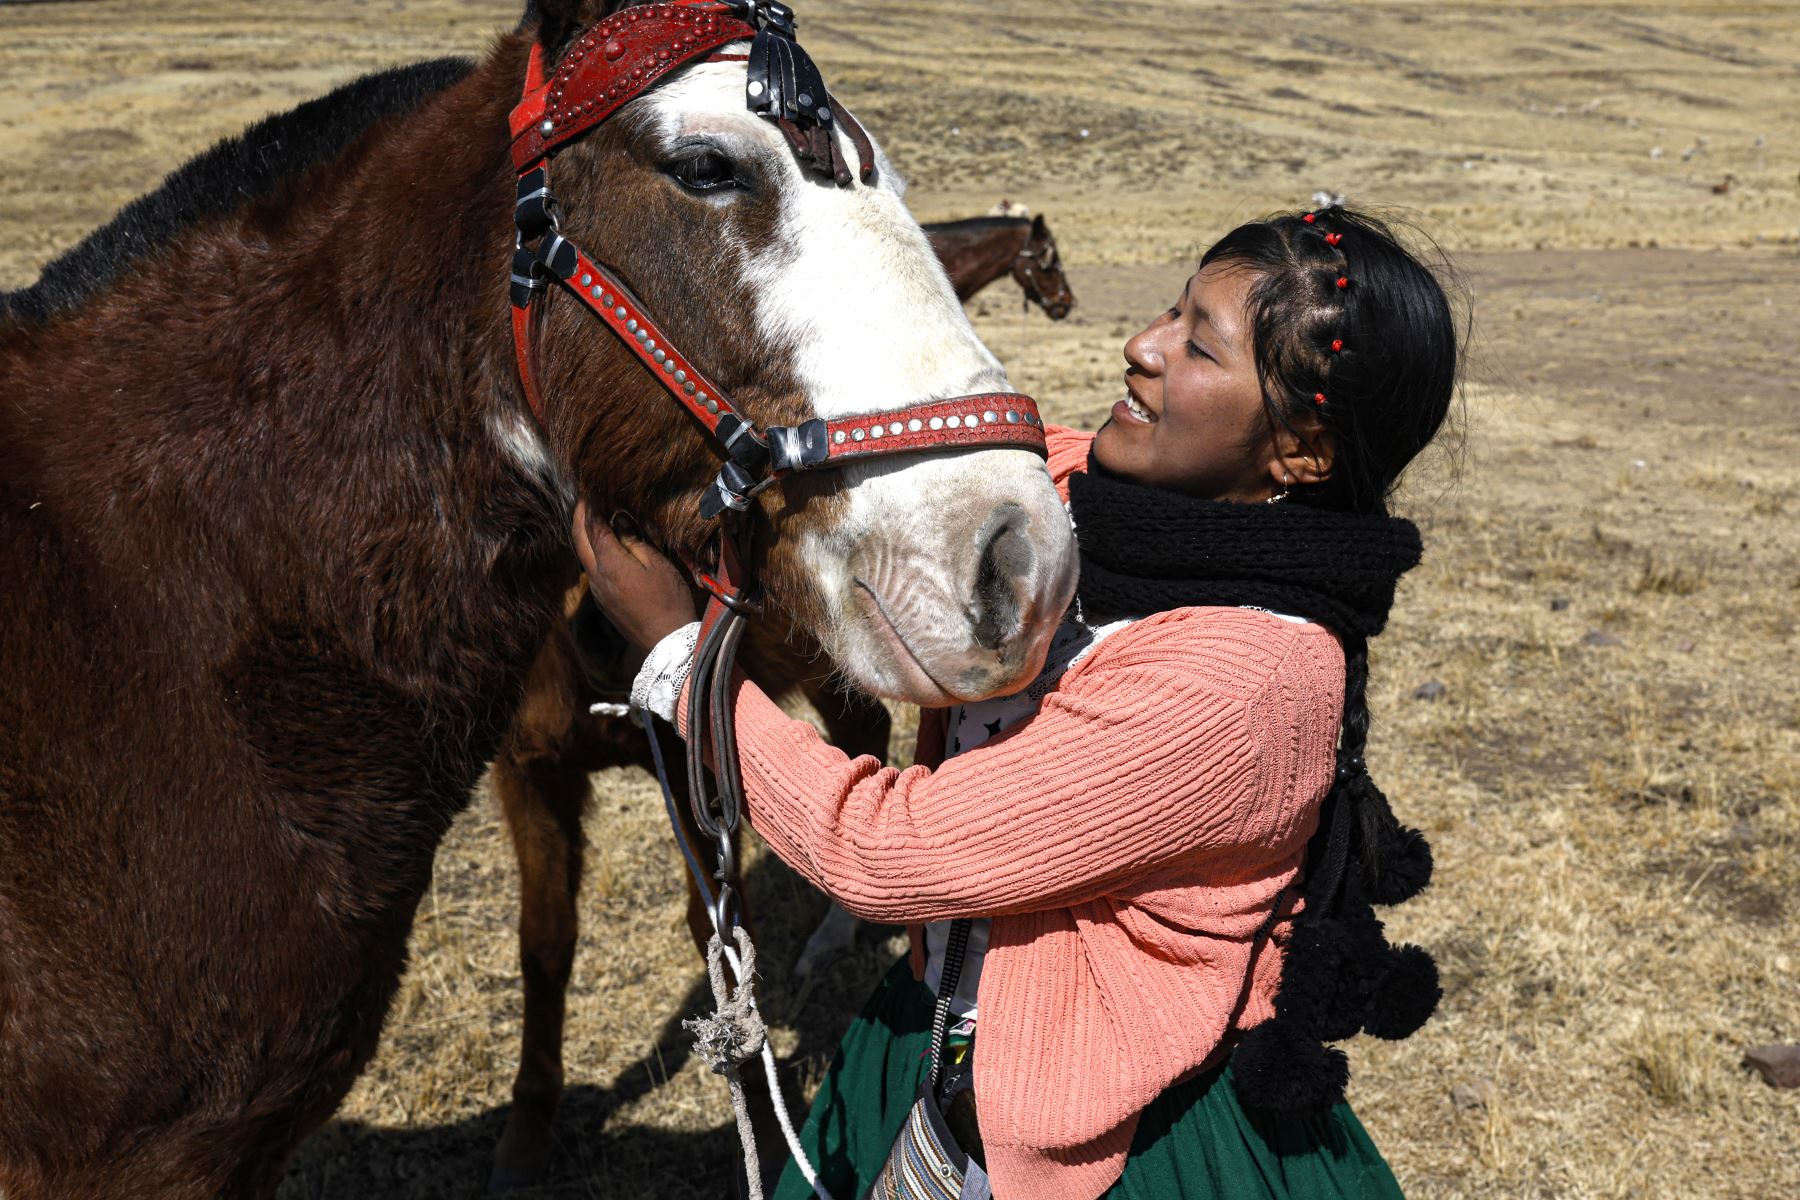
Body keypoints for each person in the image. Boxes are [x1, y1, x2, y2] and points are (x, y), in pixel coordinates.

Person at [577, 204, 1460, 1200]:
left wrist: (679, 660)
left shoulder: (1240, 690)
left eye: (1198, 347)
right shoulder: (1095, 500)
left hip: (1103, 1142)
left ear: (1299, 450)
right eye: (1172, 311)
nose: (1142, 347)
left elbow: (886, 849)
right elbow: (913, 454)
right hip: (937, 1051)